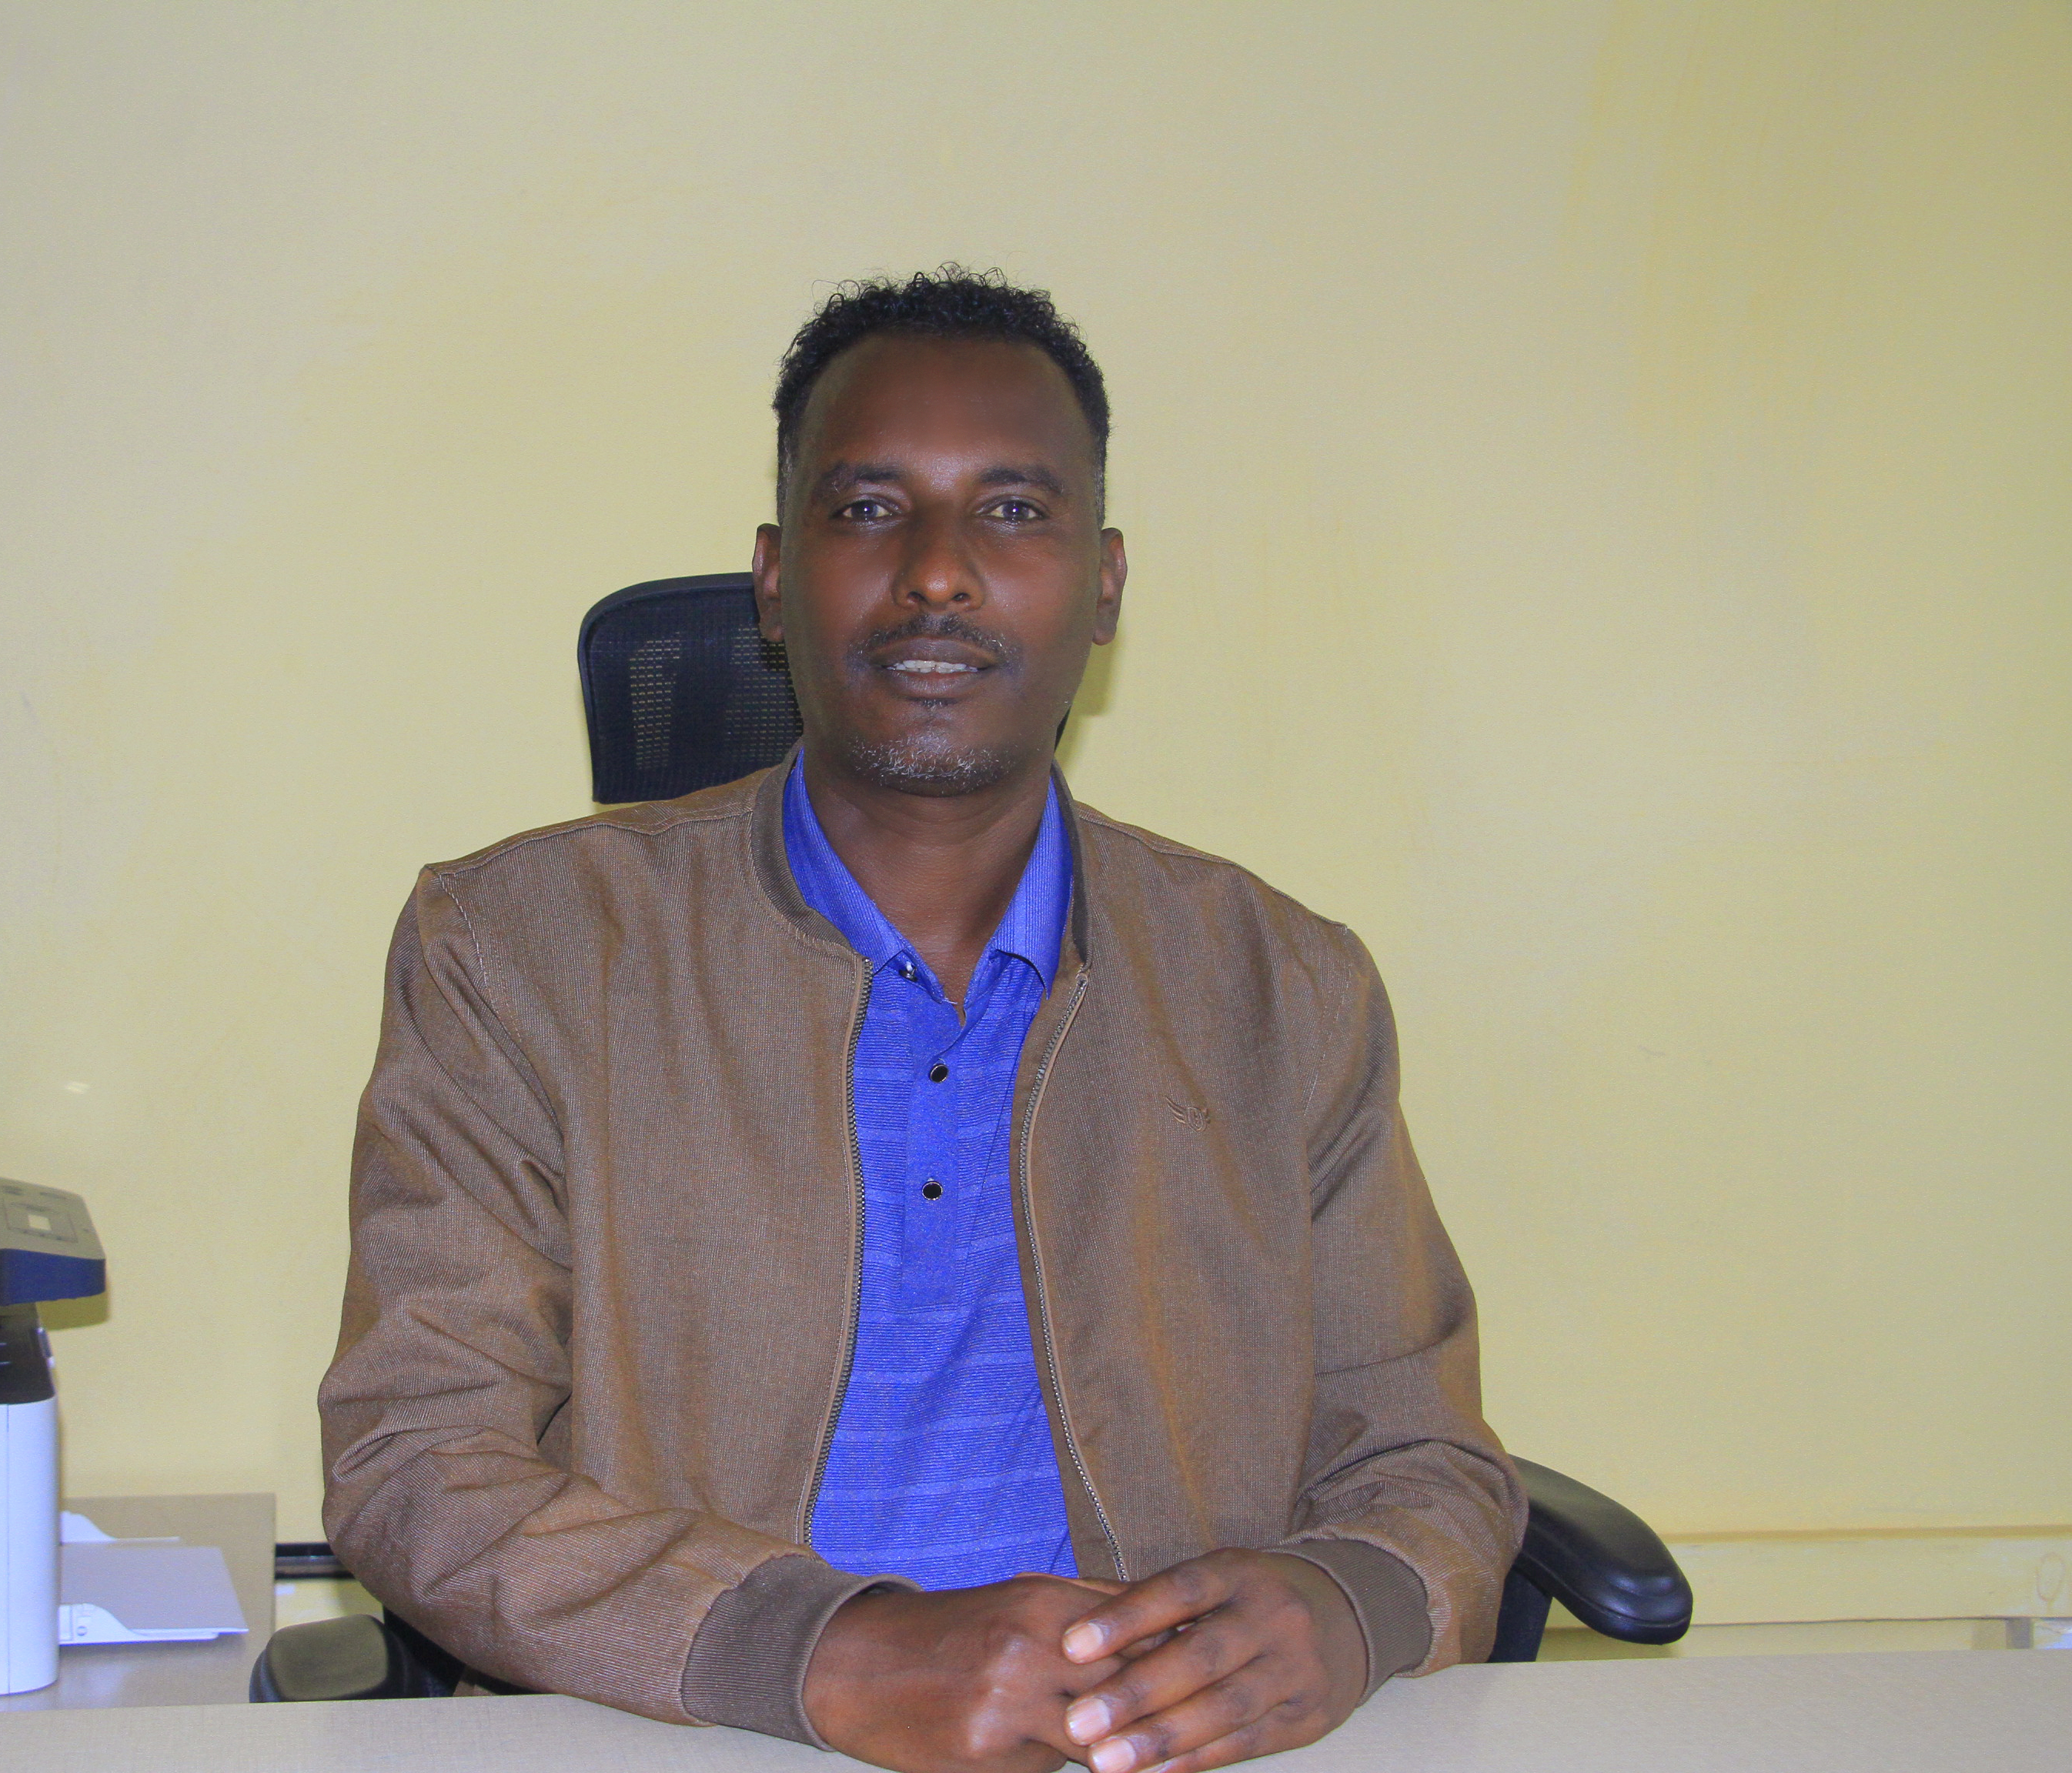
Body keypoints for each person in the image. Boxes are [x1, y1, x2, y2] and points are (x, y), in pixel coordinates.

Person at [320, 268, 1525, 1773]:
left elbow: (1425, 1455)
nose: (939, 572)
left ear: (1104, 584)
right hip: (705, 1736)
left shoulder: (1285, 989)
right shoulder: (522, 953)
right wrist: (822, 1651)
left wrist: (1348, 1604)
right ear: (775, 580)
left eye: (1013, 511)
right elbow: (418, 1458)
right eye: (869, 508)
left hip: (1167, 1749)